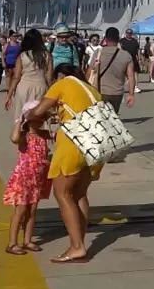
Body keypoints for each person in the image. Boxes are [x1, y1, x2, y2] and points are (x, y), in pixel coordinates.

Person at [25, 63, 105, 264]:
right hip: (95, 145)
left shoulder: (62, 84)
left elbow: (38, 111)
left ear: (60, 75)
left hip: (73, 144)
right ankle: (80, 243)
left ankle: (77, 247)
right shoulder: (92, 90)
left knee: (62, 193)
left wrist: (27, 115)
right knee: (79, 194)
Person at [4, 100, 51, 254]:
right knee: (21, 210)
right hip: (23, 179)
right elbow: (14, 138)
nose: (41, 121)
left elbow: (58, 135)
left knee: (32, 210)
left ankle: (27, 240)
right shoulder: (24, 135)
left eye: (42, 118)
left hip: (37, 180)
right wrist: (20, 121)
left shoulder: (43, 135)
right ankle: (12, 243)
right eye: (37, 118)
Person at [5, 28, 51, 114]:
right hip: (41, 87)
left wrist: (9, 95)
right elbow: (49, 77)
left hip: (24, 87)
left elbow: (16, 77)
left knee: (21, 116)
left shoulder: (22, 56)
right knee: (38, 116)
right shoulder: (47, 55)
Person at [93, 26, 136, 113]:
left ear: (105, 39)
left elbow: (90, 72)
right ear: (118, 39)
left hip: (99, 91)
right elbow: (131, 77)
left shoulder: (98, 53)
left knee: (100, 117)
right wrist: (131, 94)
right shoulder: (126, 55)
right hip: (117, 93)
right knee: (113, 116)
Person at [120, 28, 142, 94]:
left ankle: (136, 87)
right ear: (126, 33)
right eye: (128, 33)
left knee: (135, 73)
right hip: (123, 59)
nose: (129, 34)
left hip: (133, 59)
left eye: (130, 33)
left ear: (132, 34)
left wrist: (139, 59)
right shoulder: (121, 41)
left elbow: (138, 51)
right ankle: (121, 87)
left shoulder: (135, 41)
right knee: (122, 73)